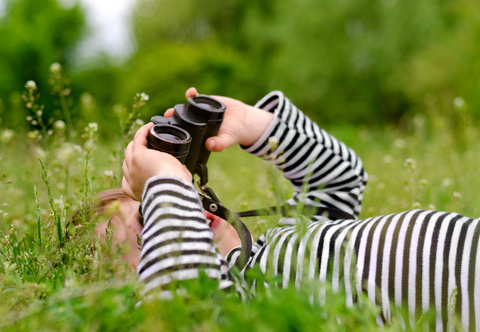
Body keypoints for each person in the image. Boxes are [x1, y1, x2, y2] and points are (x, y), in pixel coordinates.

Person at [121, 87, 480, 332]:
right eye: (148, 218)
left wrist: (251, 123)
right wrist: (166, 176)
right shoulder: (246, 305)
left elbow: (342, 179)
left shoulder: (287, 241)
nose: (182, 205)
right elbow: (181, 302)